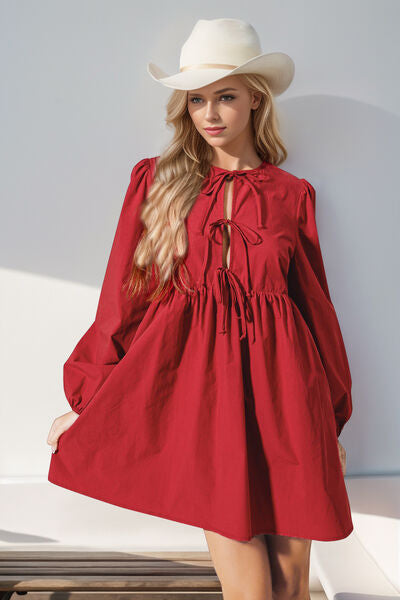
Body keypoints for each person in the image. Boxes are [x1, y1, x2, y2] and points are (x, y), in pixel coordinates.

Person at [47, 18, 353, 600]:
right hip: (205, 399)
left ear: (255, 100)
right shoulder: (159, 183)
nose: (210, 113)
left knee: (292, 590)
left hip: (289, 399)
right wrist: (90, 400)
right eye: (196, 100)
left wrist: (332, 416)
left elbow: (316, 310)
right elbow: (123, 299)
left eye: (226, 97)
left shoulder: (292, 195)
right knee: (254, 593)